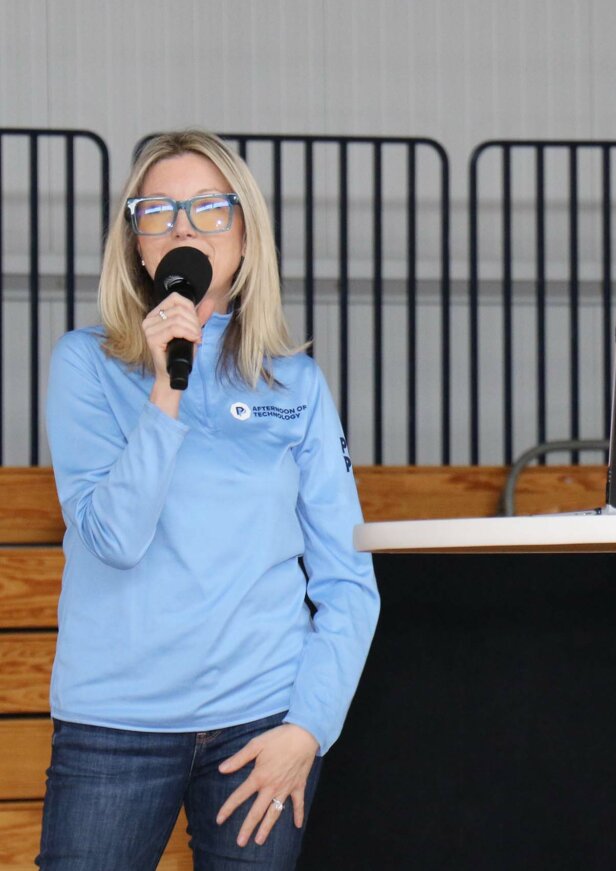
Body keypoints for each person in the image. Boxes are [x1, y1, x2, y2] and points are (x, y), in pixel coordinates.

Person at [39, 129, 380, 869]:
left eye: (208, 208)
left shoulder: (296, 385)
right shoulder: (84, 366)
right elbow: (117, 537)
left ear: (246, 231)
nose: (183, 227)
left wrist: (308, 728)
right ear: (134, 242)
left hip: (259, 726)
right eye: (156, 210)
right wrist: (167, 383)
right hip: (114, 728)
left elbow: (348, 580)